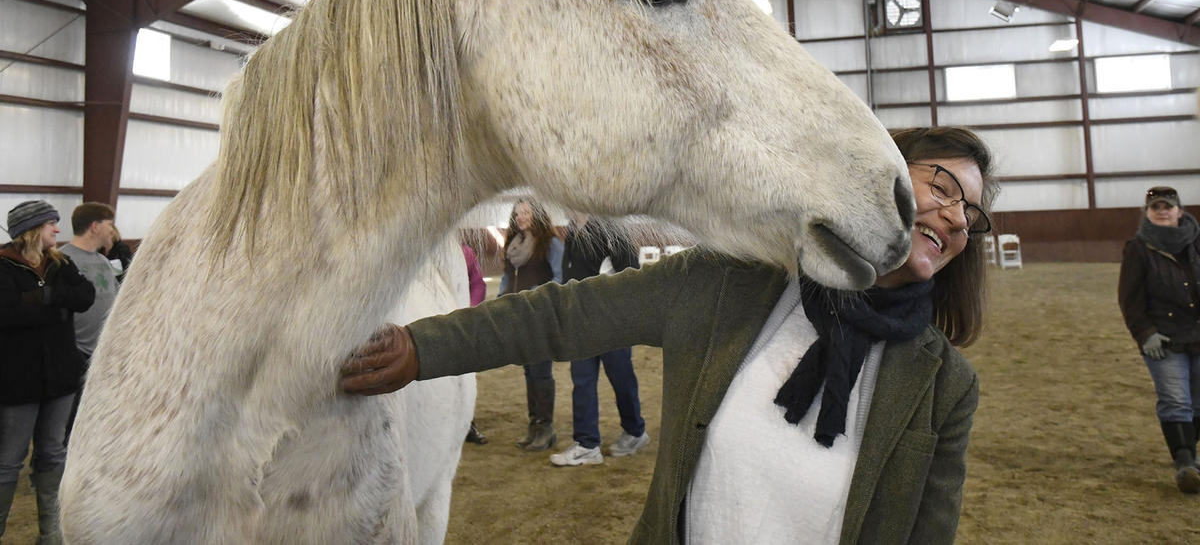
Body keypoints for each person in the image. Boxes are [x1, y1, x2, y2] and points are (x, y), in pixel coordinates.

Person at [342, 127, 994, 543]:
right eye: (940, 183)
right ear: (883, 167)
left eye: (971, 210)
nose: (954, 212)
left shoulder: (944, 388)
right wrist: (423, 348)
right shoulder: (727, 284)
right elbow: (561, 315)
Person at [1, 200, 95, 543]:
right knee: (9, 460)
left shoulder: (60, 262)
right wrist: (54, 304)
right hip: (17, 383)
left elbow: (85, 296)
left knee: (53, 453)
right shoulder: (4, 266)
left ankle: (51, 535)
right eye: (51, 224)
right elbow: (7, 313)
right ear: (32, 229)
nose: (57, 229)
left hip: (60, 380)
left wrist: (42, 297)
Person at [1117, 185, 1200, 494]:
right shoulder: (1138, 248)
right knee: (1176, 400)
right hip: (1164, 339)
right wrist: (1146, 334)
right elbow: (1130, 298)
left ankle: (1189, 455)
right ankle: (1185, 464)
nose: (1162, 210)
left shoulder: (1197, 241)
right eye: (1156, 207)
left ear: (1179, 210)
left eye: (1168, 206)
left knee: (1198, 401)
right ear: (1148, 213)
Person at [550, 212, 649, 467]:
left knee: (621, 378)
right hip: (580, 320)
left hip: (610, 321)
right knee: (581, 380)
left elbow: (632, 272)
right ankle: (587, 444)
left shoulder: (610, 225)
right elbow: (568, 275)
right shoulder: (572, 229)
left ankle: (635, 431)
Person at [498, 198, 564, 451]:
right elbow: (507, 276)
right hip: (519, 315)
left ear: (536, 214)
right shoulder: (514, 245)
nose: (521, 217)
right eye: (518, 214)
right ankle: (534, 426)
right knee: (528, 371)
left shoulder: (551, 243)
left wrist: (536, 292)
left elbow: (560, 278)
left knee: (541, 371)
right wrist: (501, 298)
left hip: (540, 314)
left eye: (525, 212)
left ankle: (546, 429)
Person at [59, 202, 120, 445]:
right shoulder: (62, 259)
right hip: (73, 353)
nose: (112, 231)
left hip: (102, 353)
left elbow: (115, 298)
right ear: (95, 226)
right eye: (108, 225)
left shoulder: (104, 262)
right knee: (67, 420)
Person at [461, 242, 488, 445]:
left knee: (465, 375)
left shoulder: (466, 252)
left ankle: (468, 423)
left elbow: (478, 283)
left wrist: (470, 309)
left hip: (459, 322)